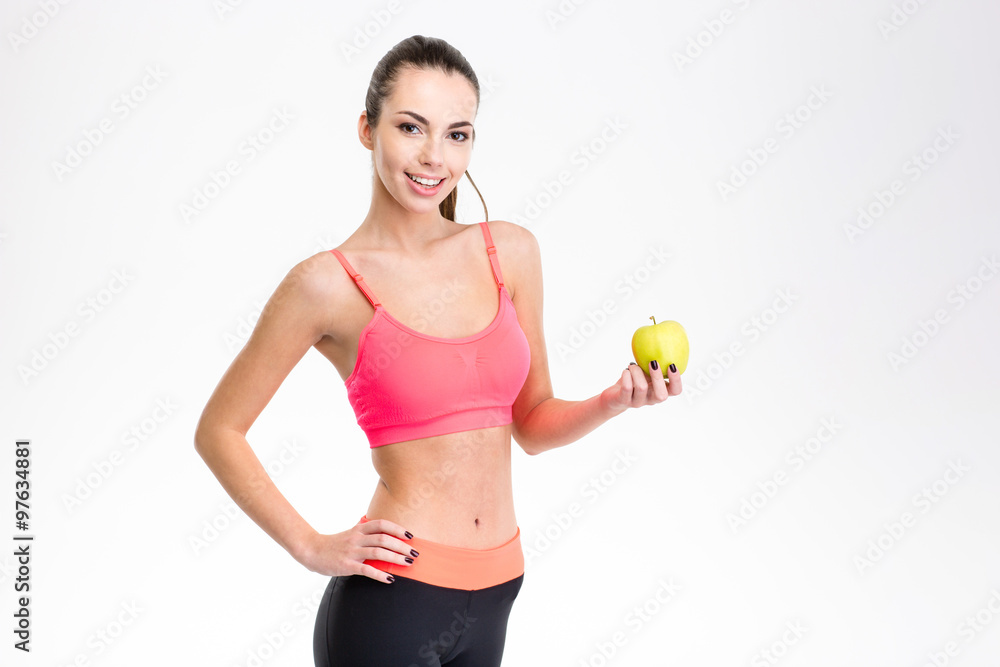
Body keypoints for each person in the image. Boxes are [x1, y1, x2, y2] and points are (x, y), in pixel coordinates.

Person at [193, 34, 683, 667]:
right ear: (367, 130)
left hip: (499, 590)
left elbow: (531, 425)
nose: (434, 156)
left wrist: (614, 400)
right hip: (392, 602)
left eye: (457, 134)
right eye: (410, 127)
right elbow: (219, 430)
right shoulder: (326, 284)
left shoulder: (509, 253)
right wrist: (310, 546)